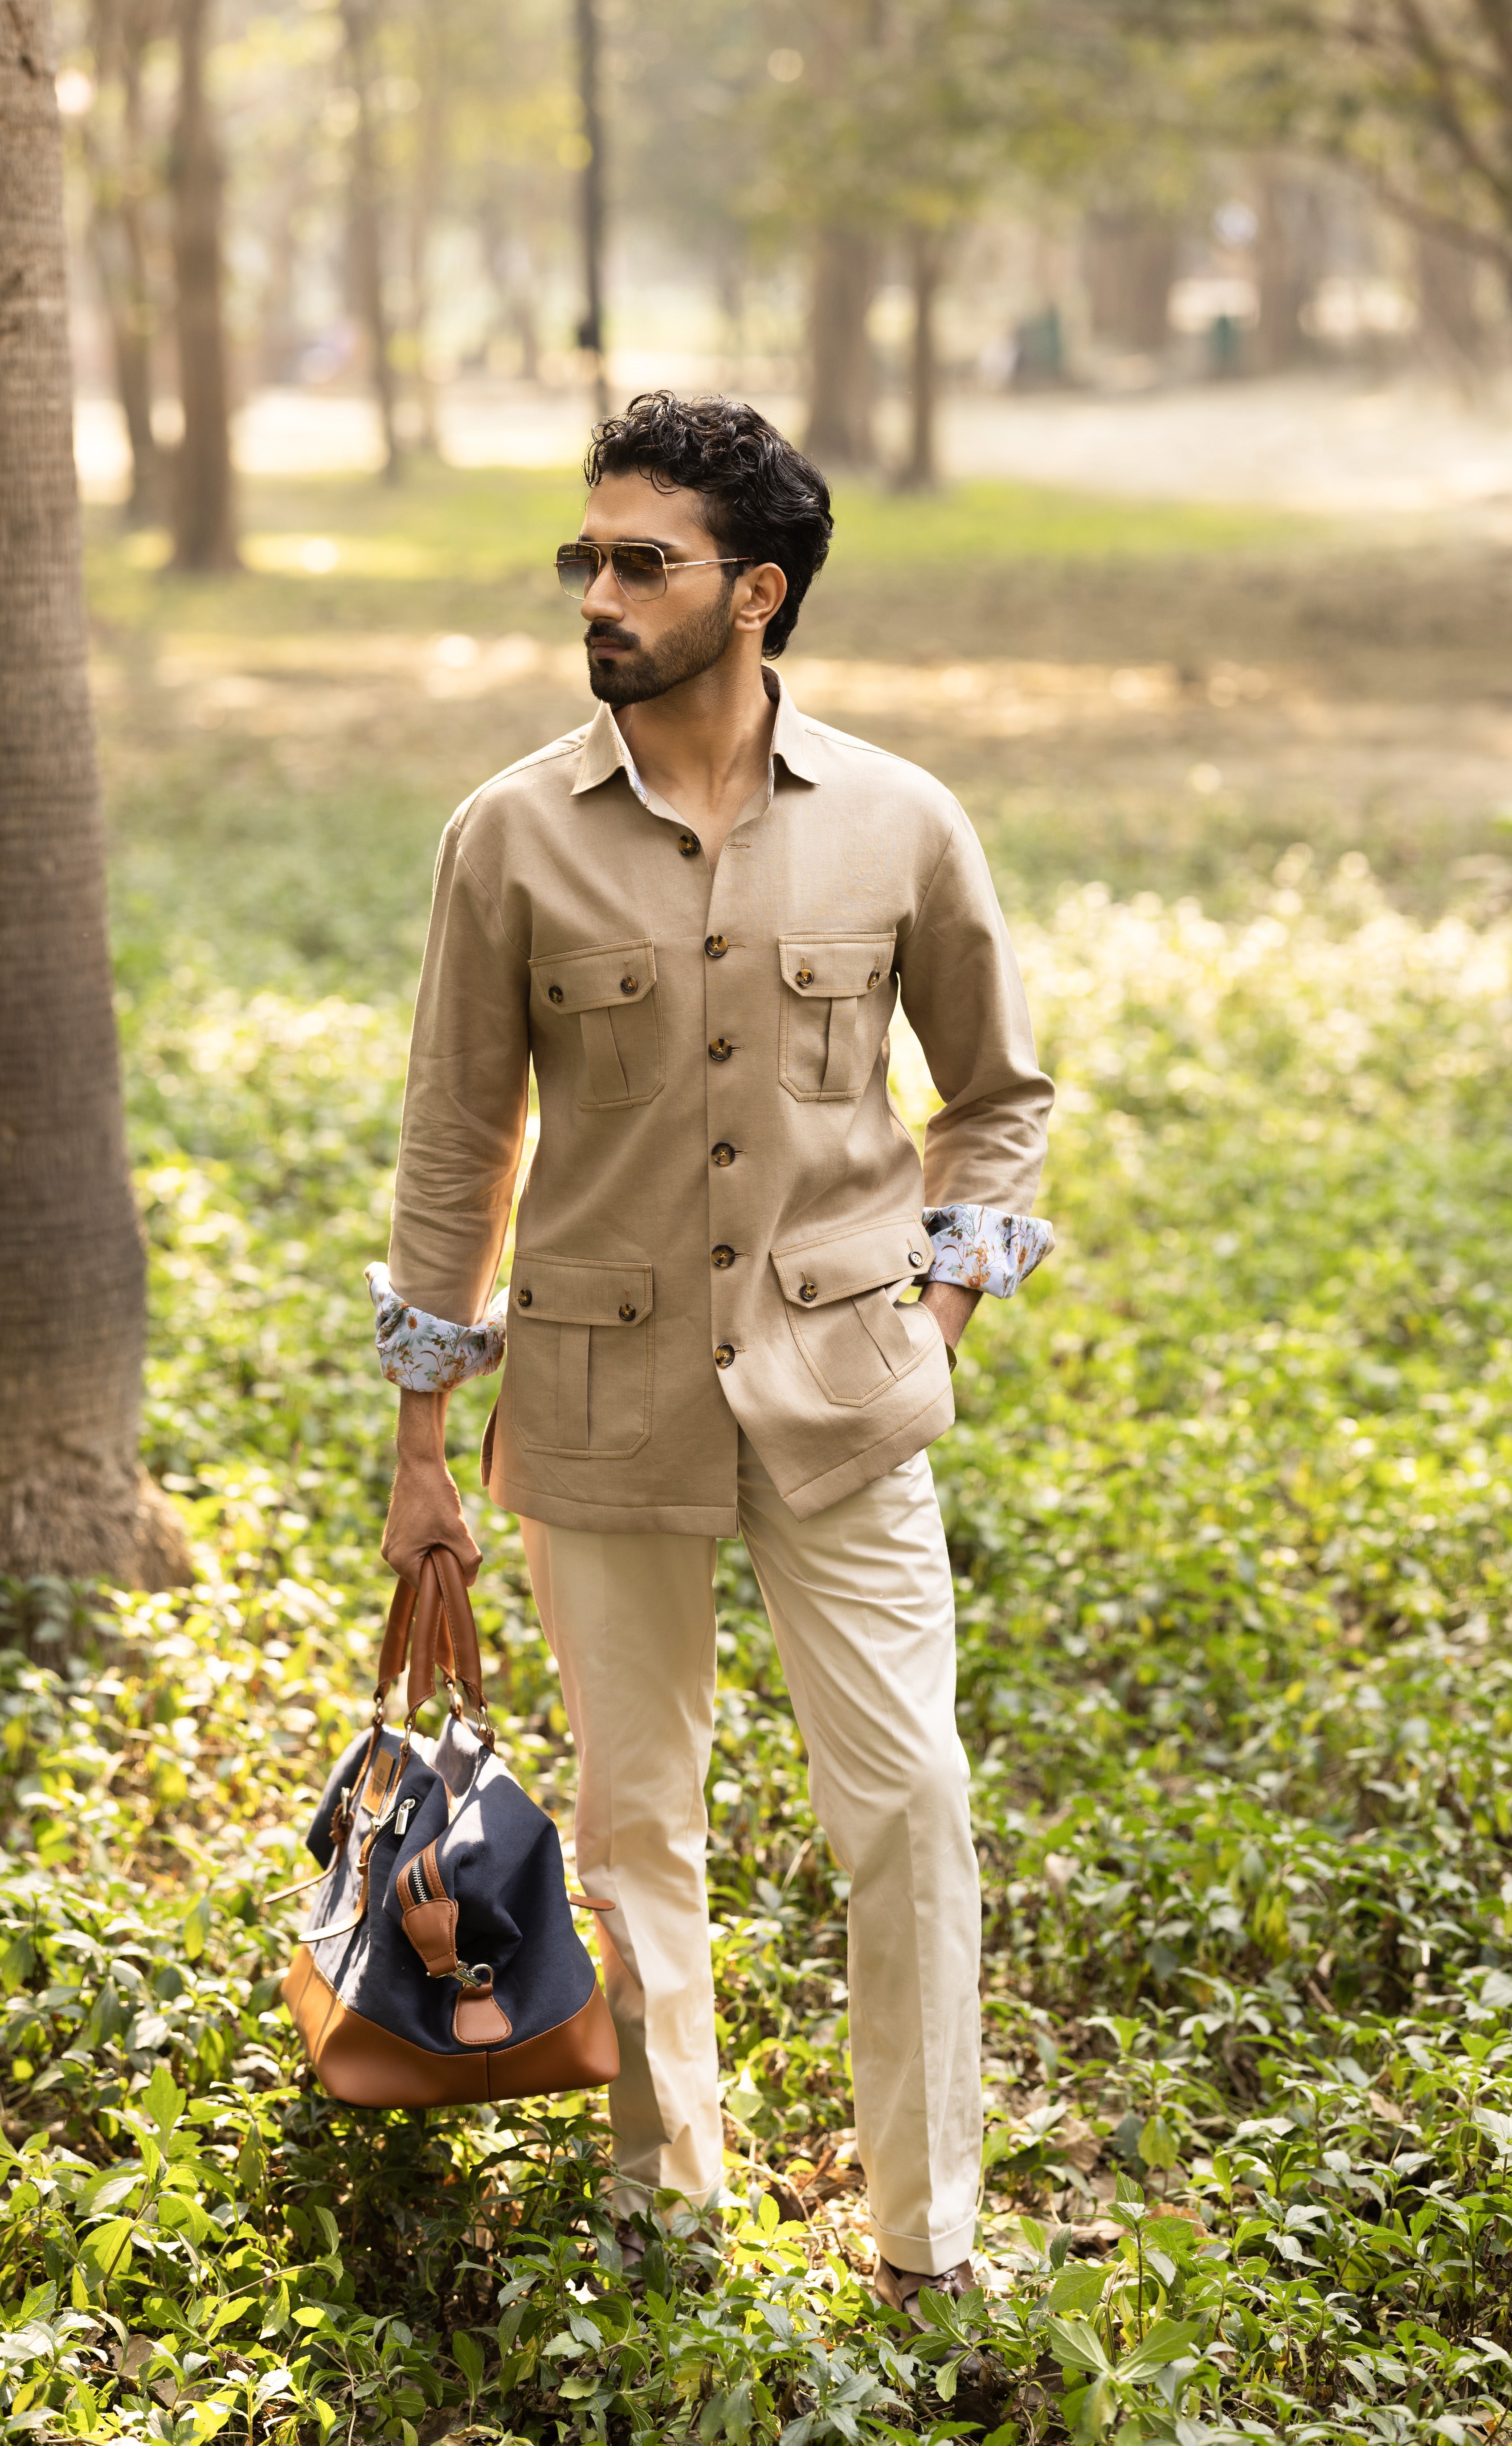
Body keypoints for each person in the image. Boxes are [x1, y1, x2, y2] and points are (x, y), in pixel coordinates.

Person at [367, 391, 1053, 2319]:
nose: (597, 590)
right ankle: (668, 2209)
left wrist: (934, 1316)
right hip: (593, 1399)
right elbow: (453, 1141)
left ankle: (929, 2242)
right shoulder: (506, 834)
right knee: (631, 1819)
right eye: (585, 556)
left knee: (906, 1799)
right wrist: (423, 1442)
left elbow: (994, 1100)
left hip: (847, 1404)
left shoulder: (905, 822)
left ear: (753, 592)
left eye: (640, 561)